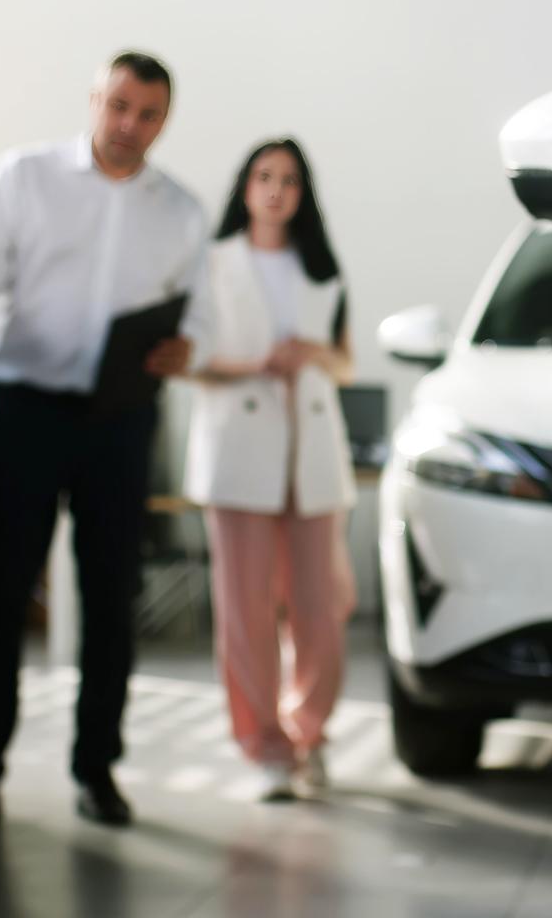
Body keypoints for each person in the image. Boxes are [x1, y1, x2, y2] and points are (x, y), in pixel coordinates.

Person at [0, 51, 206, 830]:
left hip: (122, 420)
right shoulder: (25, 176)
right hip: (29, 413)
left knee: (112, 597)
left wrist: (189, 349)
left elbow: (200, 317)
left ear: (164, 121)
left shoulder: (181, 213)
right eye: (118, 106)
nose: (129, 125)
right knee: (2, 591)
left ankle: (97, 769)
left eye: (147, 114)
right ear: (95, 99)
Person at [182, 137, 357, 802]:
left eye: (289, 179)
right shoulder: (212, 264)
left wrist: (312, 354)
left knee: (321, 607)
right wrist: (256, 364)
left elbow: (345, 363)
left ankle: (311, 731)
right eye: (264, 176)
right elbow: (190, 360)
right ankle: (265, 746)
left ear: (303, 193)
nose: (276, 189)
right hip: (238, 449)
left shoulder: (322, 268)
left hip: (311, 452)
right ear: (245, 186)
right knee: (245, 610)